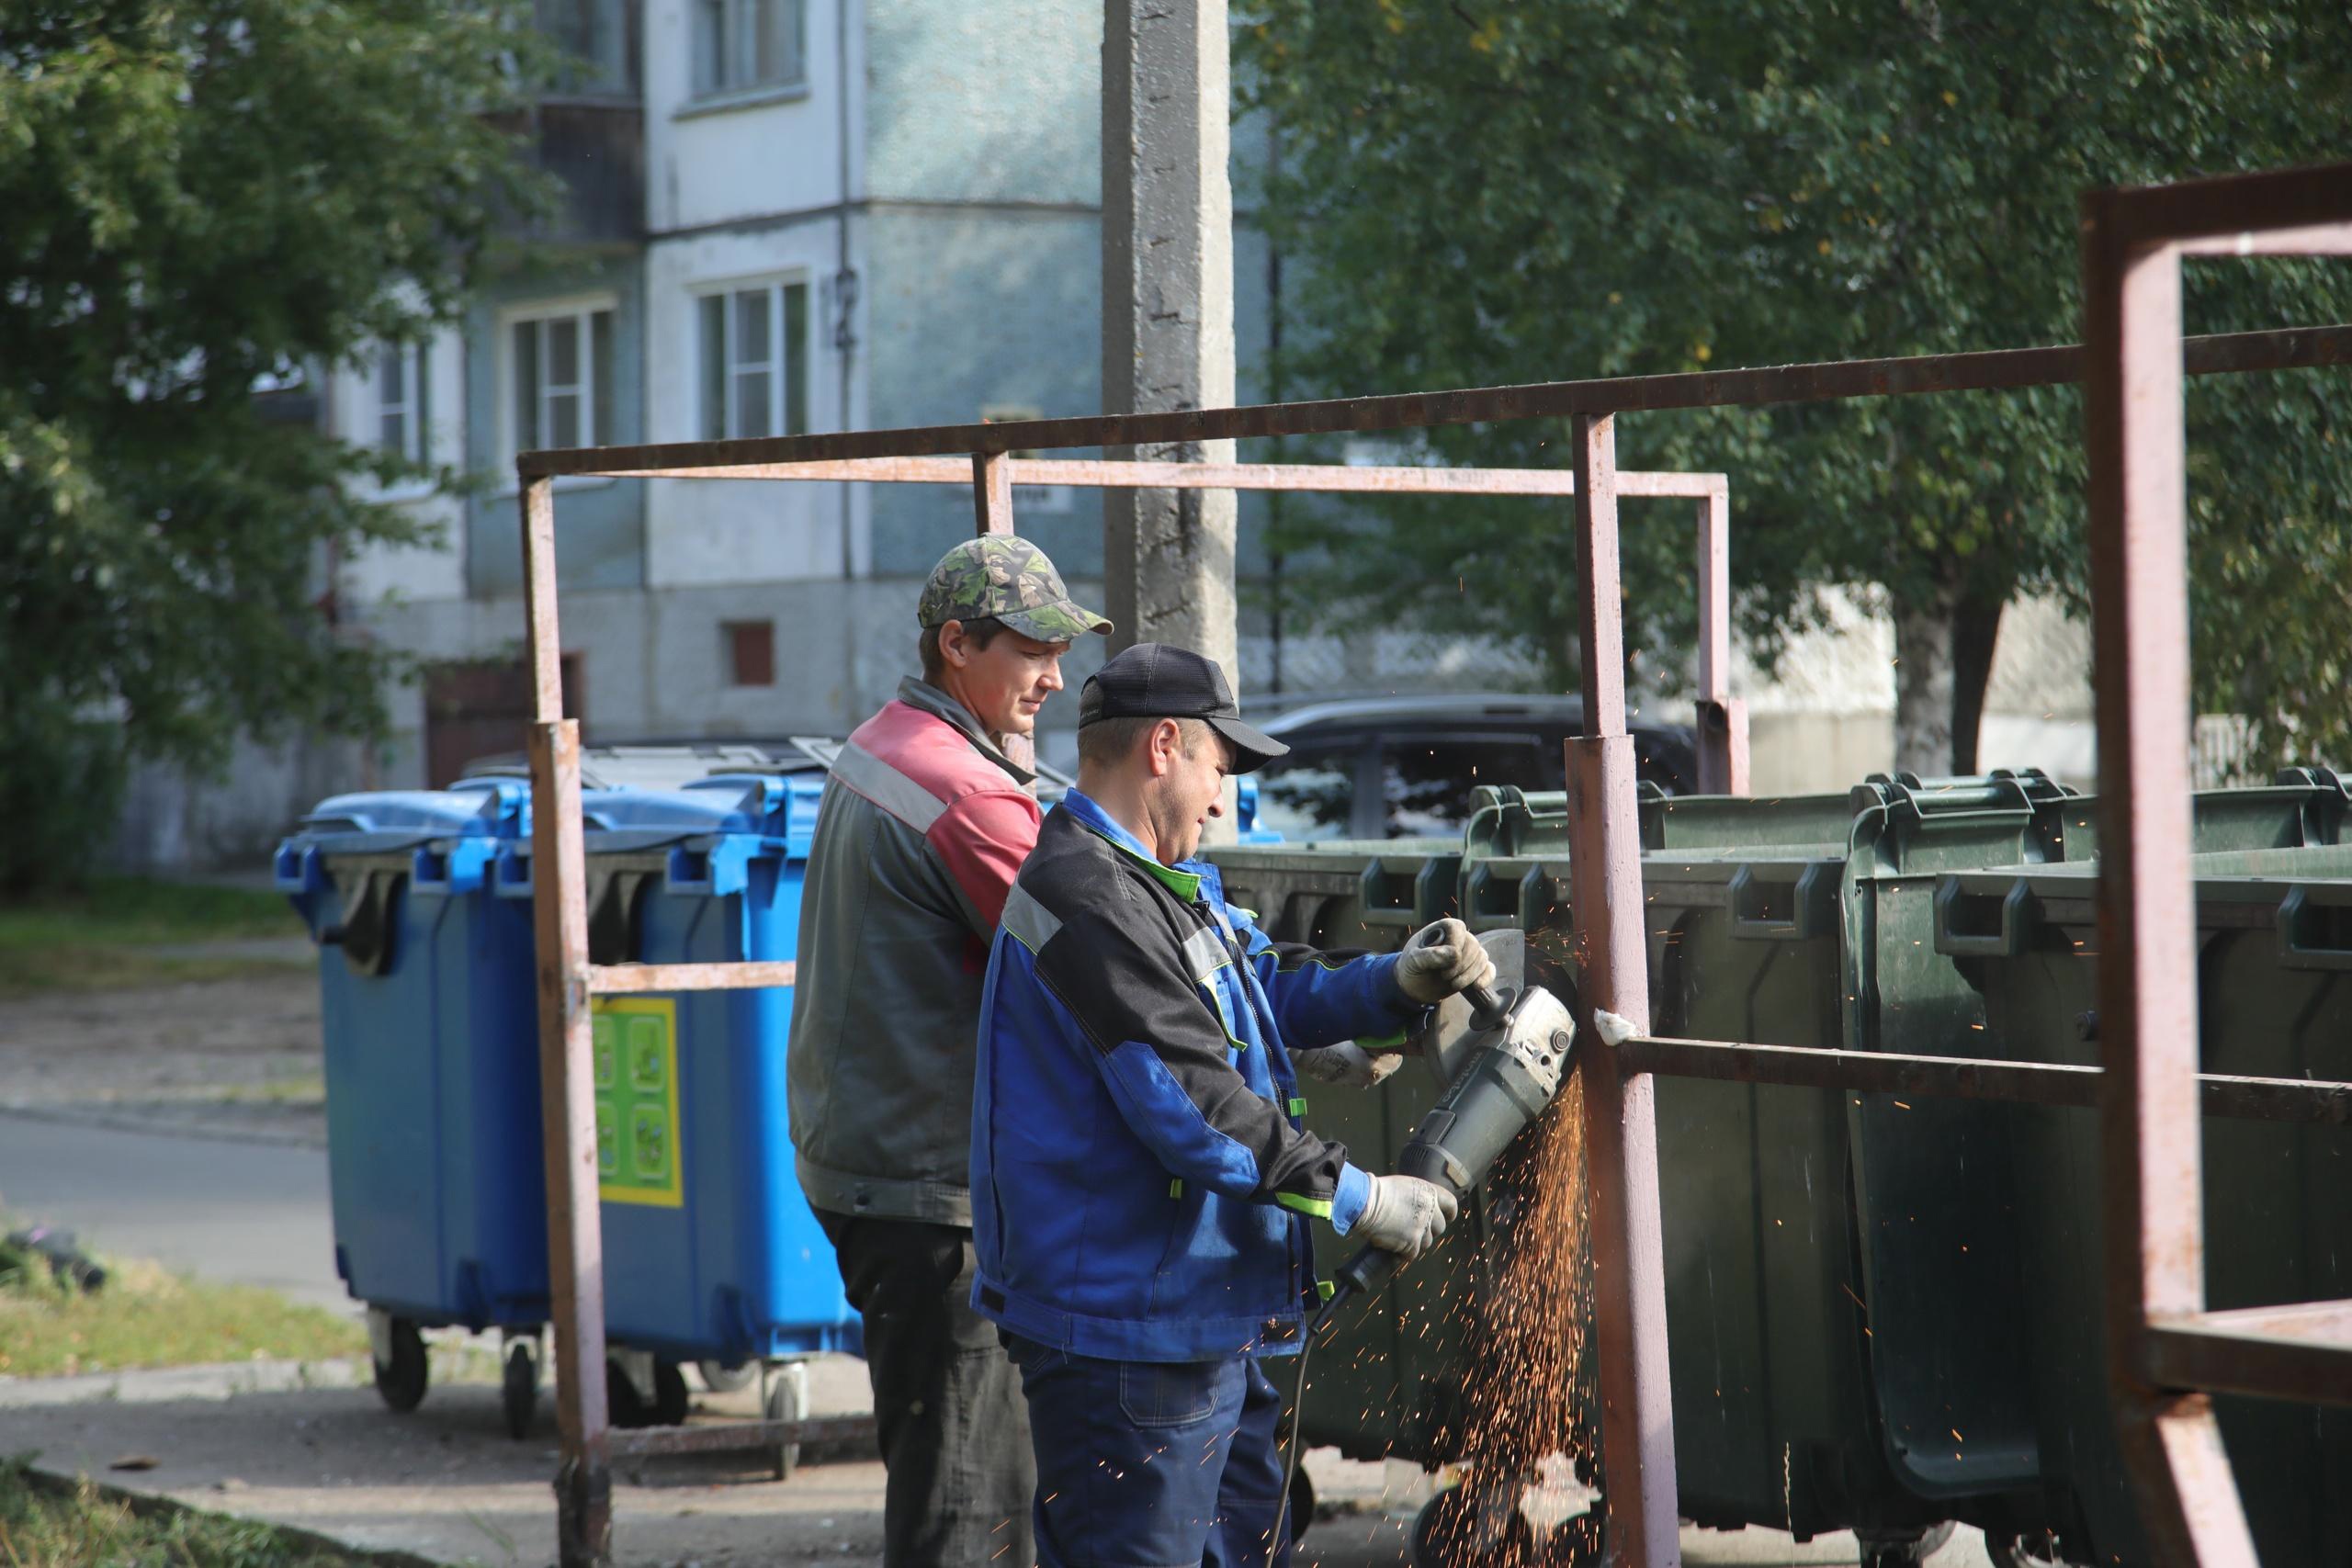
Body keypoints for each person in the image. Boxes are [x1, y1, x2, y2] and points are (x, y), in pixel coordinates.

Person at [969, 641, 1498, 1568]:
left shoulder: (1158, 886)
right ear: (1164, 747)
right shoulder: (1085, 899)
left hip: (1199, 1320)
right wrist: (1362, 1198)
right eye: (1219, 769)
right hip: (1126, 1341)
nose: (1222, 800)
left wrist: (1395, 983)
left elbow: (1259, 989)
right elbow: (1195, 1111)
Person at [786, 536, 1109, 1566]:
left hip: (870, 1162)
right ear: (955, 644)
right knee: (971, 1501)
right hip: (932, 1192)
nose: (1054, 677)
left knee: (954, 1471)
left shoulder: (885, 741)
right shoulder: (964, 790)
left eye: (1061, 650)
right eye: (1030, 650)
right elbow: (1104, 961)